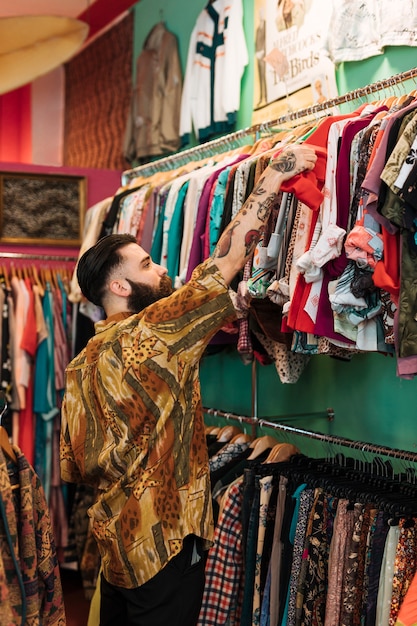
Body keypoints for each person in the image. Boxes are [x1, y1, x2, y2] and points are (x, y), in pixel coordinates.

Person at [59, 143, 317, 626]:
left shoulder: (84, 361)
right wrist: (275, 173)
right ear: (119, 287)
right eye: (146, 264)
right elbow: (227, 259)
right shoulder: (154, 331)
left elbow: (76, 463)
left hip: (116, 539)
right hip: (164, 539)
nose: (160, 268)